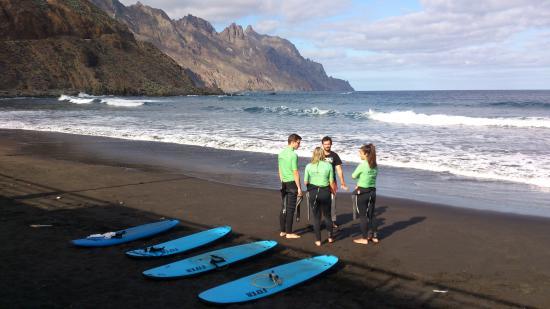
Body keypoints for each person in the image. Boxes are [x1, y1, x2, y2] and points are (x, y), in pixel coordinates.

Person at [304, 147, 336, 246]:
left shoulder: (309, 166)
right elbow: (331, 182)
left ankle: (318, 240)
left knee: (317, 217)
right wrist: (333, 192)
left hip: (313, 192)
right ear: (323, 154)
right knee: (327, 216)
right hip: (325, 192)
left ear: (314, 154)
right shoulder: (328, 165)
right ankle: (330, 237)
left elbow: (305, 182)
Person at [351, 144, 379, 245]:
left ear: (366, 154)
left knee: (363, 216)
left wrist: (359, 182)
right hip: (373, 192)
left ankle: (364, 238)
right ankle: (375, 237)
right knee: (372, 215)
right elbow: (369, 178)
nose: (359, 154)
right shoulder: (375, 165)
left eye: (360, 152)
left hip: (363, 192)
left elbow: (353, 176)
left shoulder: (363, 164)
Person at [278, 133, 303, 239]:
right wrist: (299, 188)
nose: (299, 145)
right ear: (292, 142)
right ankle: (289, 233)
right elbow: (295, 172)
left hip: (284, 182)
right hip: (292, 183)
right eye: (298, 143)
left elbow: (279, 169)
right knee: (290, 209)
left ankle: (283, 231)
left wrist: (282, 181)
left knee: (283, 207)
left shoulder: (281, 153)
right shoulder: (293, 155)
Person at [321, 136, 348, 228]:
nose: (327, 146)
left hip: (332, 182)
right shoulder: (319, 155)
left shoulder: (334, 155)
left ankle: (332, 221)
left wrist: (343, 182)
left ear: (331, 144)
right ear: (322, 145)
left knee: (332, 203)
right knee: (321, 203)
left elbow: (339, 170)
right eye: (325, 144)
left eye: (328, 144)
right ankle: (321, 221)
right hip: (320, 183)